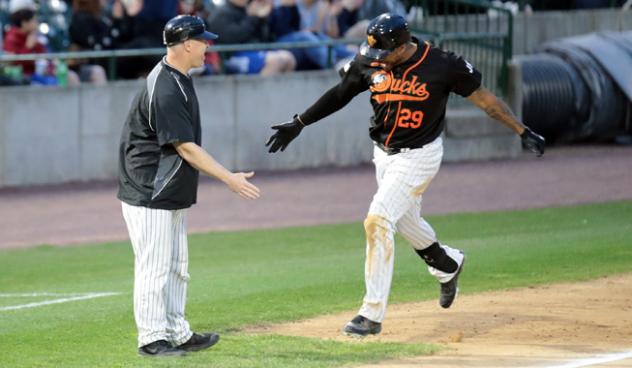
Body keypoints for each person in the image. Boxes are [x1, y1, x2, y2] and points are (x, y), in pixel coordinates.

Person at [266, 13, 545, 337]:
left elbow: (486, 100)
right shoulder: (371, 60)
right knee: (404, 219)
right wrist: (299, 123)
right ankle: (447, 263)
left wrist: (521, 130)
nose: (378, 60)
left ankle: (370, 314)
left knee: (379, 219)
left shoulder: (442, 64)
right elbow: (340, 94)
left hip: (420, 156)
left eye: (385, 53)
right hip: (382, 154)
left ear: (403, 45)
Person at [118, 15, 260, 356]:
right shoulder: (165, 87)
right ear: (186, 44)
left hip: (168, 189)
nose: (208, 46)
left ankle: (177, 332)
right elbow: (184, 147)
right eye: (203, 40)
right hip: (149, 190)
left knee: (177, 267)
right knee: (154, 268)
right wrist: (229, 178)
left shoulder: (178, 77)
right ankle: (152, 339)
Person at [207, 0, 296, 75]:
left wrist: (263, 17)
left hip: (254, 52)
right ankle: (260, 94)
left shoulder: (248, 9)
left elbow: (265, 38)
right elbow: (234, 37)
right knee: (275, 61)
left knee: (289, 59)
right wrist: (253, 17)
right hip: (231, 57)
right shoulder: (221, 13)